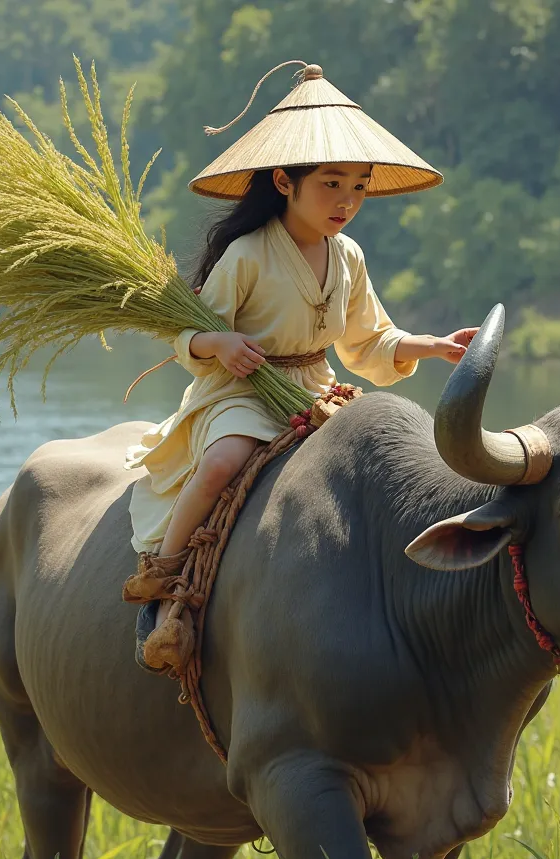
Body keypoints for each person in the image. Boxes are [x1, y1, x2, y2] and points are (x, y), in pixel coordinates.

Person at [125, 62, 476, 674]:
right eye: (332, 184)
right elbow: (186, 332)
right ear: (285, 180)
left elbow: (370, 340)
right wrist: (222, 344)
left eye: (359, 187)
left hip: (316, 389)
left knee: (393, 456)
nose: (347, 202)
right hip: (238, 391)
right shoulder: (247, 254)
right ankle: (163, 581)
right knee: (222, 463)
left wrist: (433, 346)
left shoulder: (350, 256)